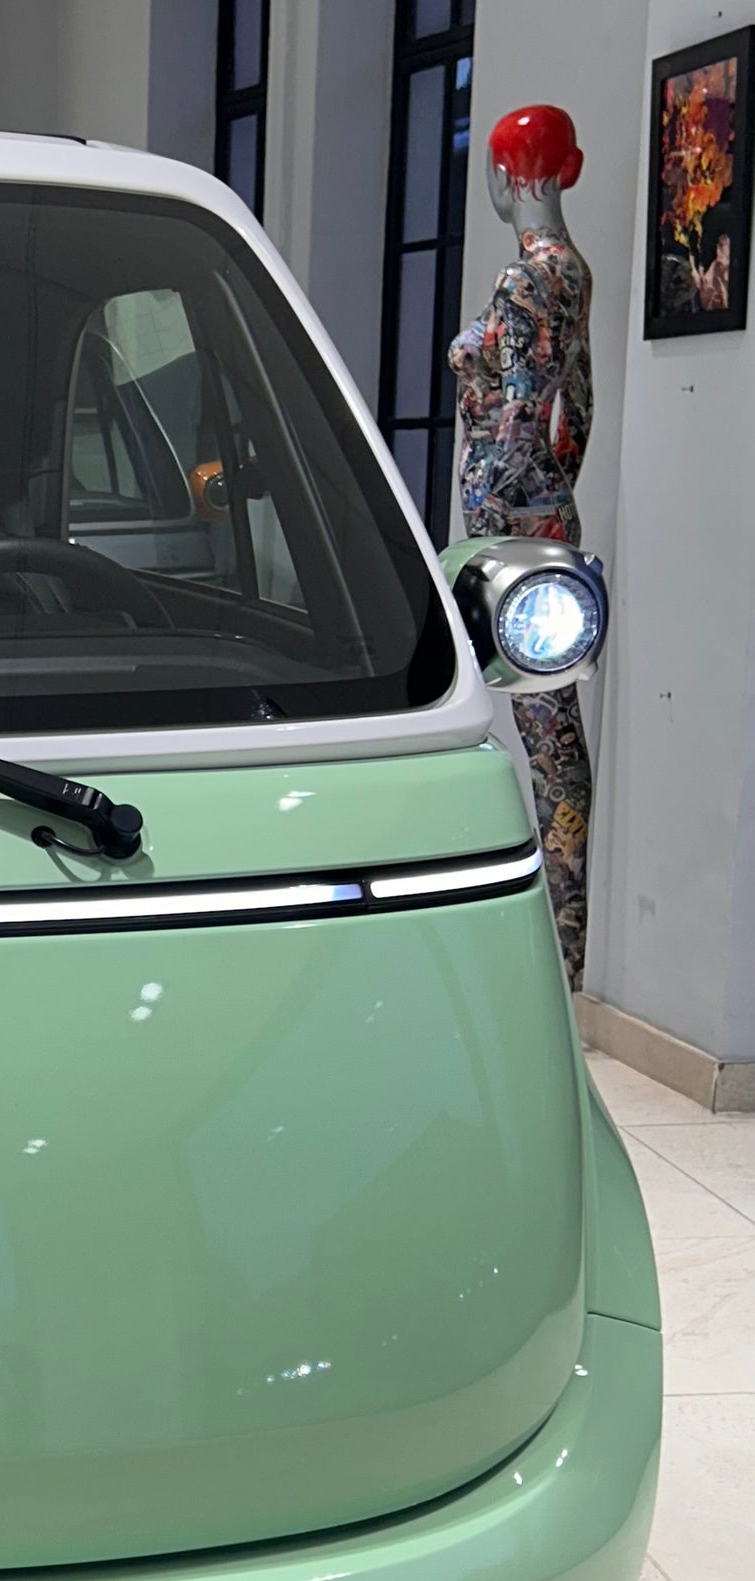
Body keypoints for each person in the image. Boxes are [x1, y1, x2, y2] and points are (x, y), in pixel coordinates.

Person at [448, 104, 594, 988]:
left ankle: (544, 954)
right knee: (554, 727)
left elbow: (514, 414)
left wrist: (499, 519)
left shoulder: (523, 281)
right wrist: (551, 498)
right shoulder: (572, 271)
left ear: (508, 178)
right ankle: (560, 944)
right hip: (544, 512)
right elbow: (576, 410)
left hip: (509, 524)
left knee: (533, 729)